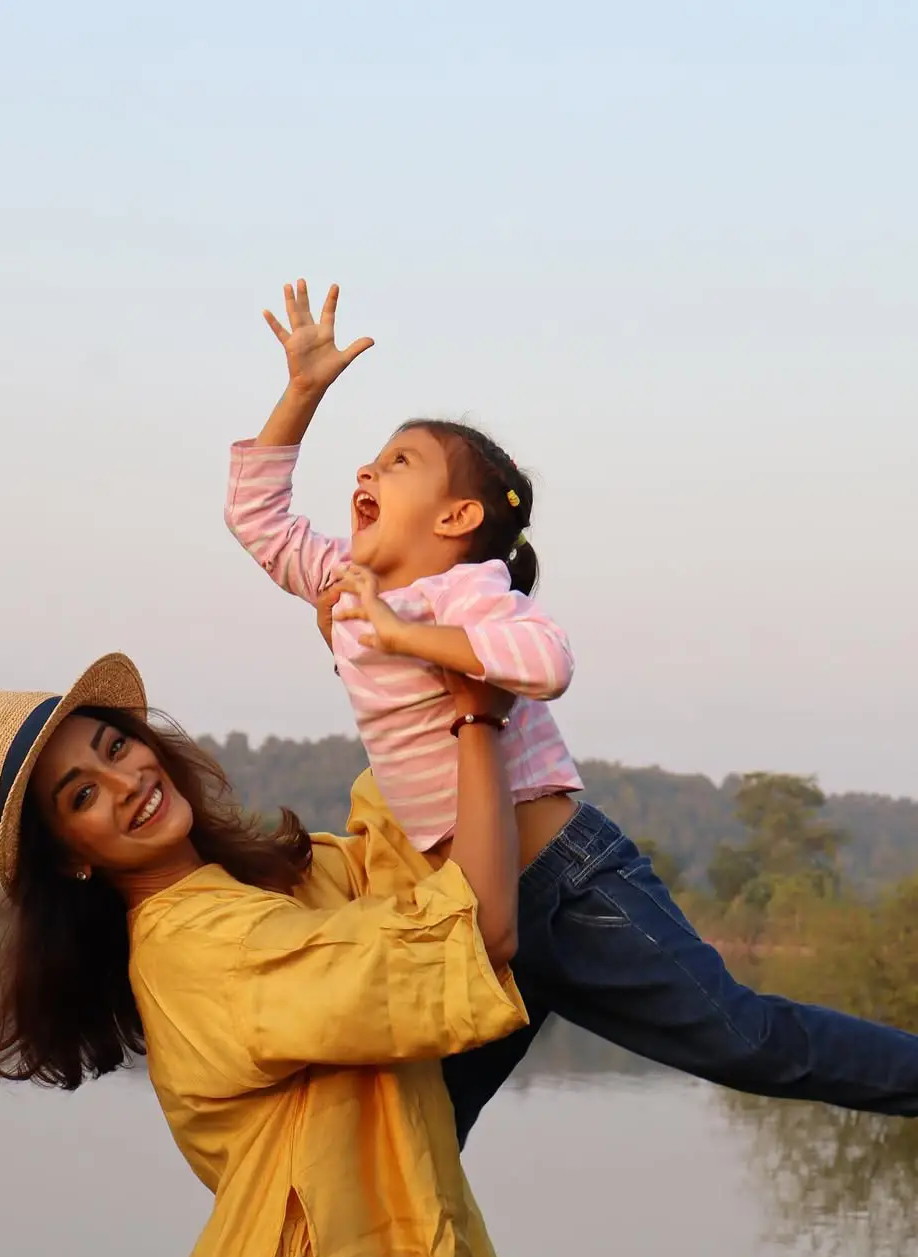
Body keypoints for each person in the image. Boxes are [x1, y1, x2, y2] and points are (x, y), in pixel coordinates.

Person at [227, 277, 918, 1147]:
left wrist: (409, 636)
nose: (366, 471)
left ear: (458, 517)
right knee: (412, 1139)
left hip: (569, 887)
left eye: (397, 464)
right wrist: (301, 393)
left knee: (748, 1042)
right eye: (370, 461)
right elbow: (256, 517)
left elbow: (543, 663)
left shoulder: (468, 593)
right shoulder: (352, 588)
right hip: (475, 911)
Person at [0, 651, 534, 1257]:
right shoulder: (201, 948)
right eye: (82, 794)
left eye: (115, 748)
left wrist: (386, 653)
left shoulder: (262, 888)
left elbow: (393, 860)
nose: (125, 784)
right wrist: (479, 719)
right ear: (72, 857)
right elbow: (474, 935)